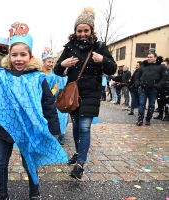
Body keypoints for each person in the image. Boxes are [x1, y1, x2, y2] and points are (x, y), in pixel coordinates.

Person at [0, 22, 68, 200]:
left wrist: (54, 128)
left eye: (23, 55)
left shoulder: (38, 78)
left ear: (30, 56)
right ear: (9, 55)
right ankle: (2, 194)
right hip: (5, 127)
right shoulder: (0, 76)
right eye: (14, 54)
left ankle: (35, 193)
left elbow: (48, 103)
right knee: (1, 163)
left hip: (28, 128)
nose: (19, 59)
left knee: (29, 162)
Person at [54, 7, 117, 179]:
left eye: (85, 30)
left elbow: (112, 69)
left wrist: (102, 60)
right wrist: (63, 64)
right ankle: (78, 152)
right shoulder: (69, 47)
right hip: (73, 93)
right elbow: (57, 71)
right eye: (79, 30)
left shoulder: (100, 47)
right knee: (75, 127)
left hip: (91, 92)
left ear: (91, 30)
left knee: (84, 127)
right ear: (75, 31)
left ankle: (80, 164)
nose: (82, 34)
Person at [135, 53, 168, 126]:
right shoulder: (143, 67)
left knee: (151, 105)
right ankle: (140, 120)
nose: (149, 58)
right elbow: (137, 77)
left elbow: (165, 77)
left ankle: (148, 120)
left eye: (151, 57)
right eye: (148, 57)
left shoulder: (161, 67)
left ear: (155, 58)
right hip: (143, 88)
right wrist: (138, 84)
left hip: (154, 89)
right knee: (141, 104)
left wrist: (158, 86)